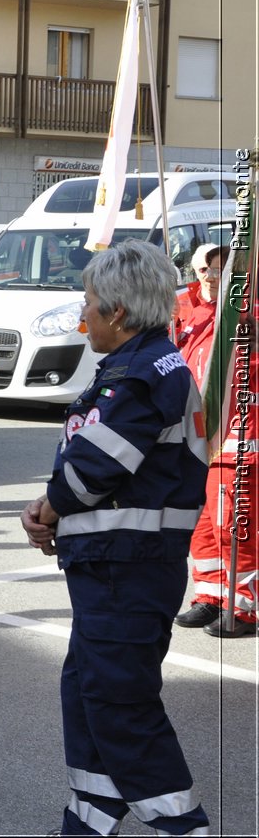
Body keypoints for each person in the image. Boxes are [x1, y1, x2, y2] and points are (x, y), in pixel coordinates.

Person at [19, 240, 222, 838]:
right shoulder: (148, 364)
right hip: (118, 565)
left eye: (89, 311)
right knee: (89, 693)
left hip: (127, 569)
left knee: (119, 704)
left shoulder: (139, 374)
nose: (85, 322)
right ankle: (89, 832)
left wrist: (49, 510)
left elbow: (93, 470)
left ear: (120, 311)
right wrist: (58, 510)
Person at [175, 244, 254, 636]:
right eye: (207, 267)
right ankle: (209, 596)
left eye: (223, 269)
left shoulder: (247, 319)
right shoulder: (193, 314)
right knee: (203, 525)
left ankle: (243, 605)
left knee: (233, 526)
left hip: (237, 439)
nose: (213, 275)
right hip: (197, 438)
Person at [171, 243, 225, 353]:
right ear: (195, 272)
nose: (210, 277)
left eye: (217, 270)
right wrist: (172, 322)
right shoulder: (181, 303)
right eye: (203, 270)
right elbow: (166, 344)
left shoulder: (242, 305)